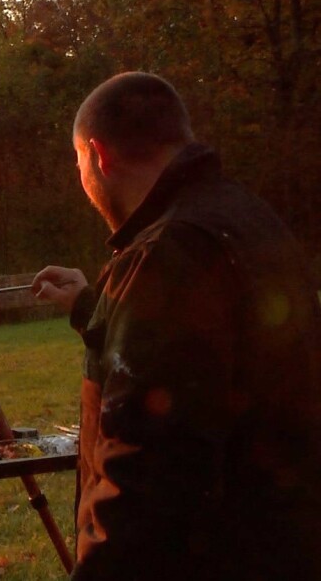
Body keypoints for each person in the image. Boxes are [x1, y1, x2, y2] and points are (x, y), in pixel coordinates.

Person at [32, 72, 321, 581]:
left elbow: (145, 475)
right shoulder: (251, 220)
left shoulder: (167, 254)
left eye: (78, 162)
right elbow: (206, 358)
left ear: (99, 155)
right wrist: (92, 307)